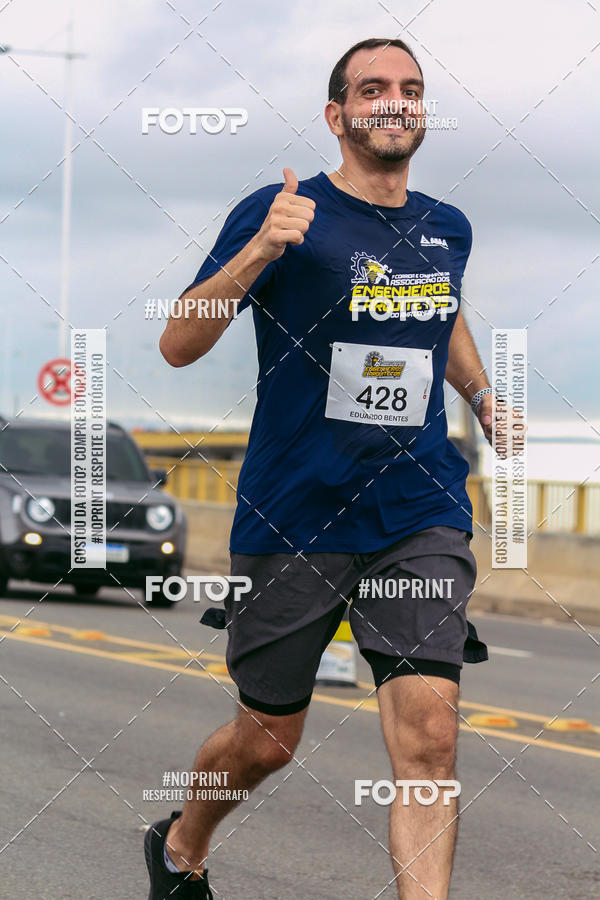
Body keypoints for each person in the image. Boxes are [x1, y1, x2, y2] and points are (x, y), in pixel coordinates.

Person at [145, 36, 493, 900]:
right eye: (373, 88)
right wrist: (261, 249)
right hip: (297, 512)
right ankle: (182, 842)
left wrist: (483, 394)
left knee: (431, 741)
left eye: (410, 87)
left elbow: (441, 313)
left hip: (418, 506)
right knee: (267, 739)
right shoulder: (282, 211)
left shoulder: (447, 226)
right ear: (337, 116)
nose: (395, 99)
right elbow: (179, 341)